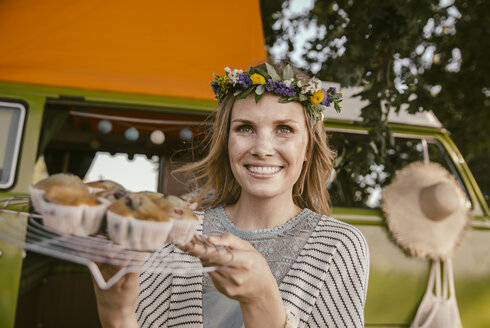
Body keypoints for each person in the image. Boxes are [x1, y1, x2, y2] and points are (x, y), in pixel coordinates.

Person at [93, 62, 370, 328]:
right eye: (245, 128)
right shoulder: (177, 233)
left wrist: (262, 300)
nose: (263, 148)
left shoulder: (337, 248)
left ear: (308, 149)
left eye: (284, 129)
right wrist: (115, 312)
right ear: (227, 142)